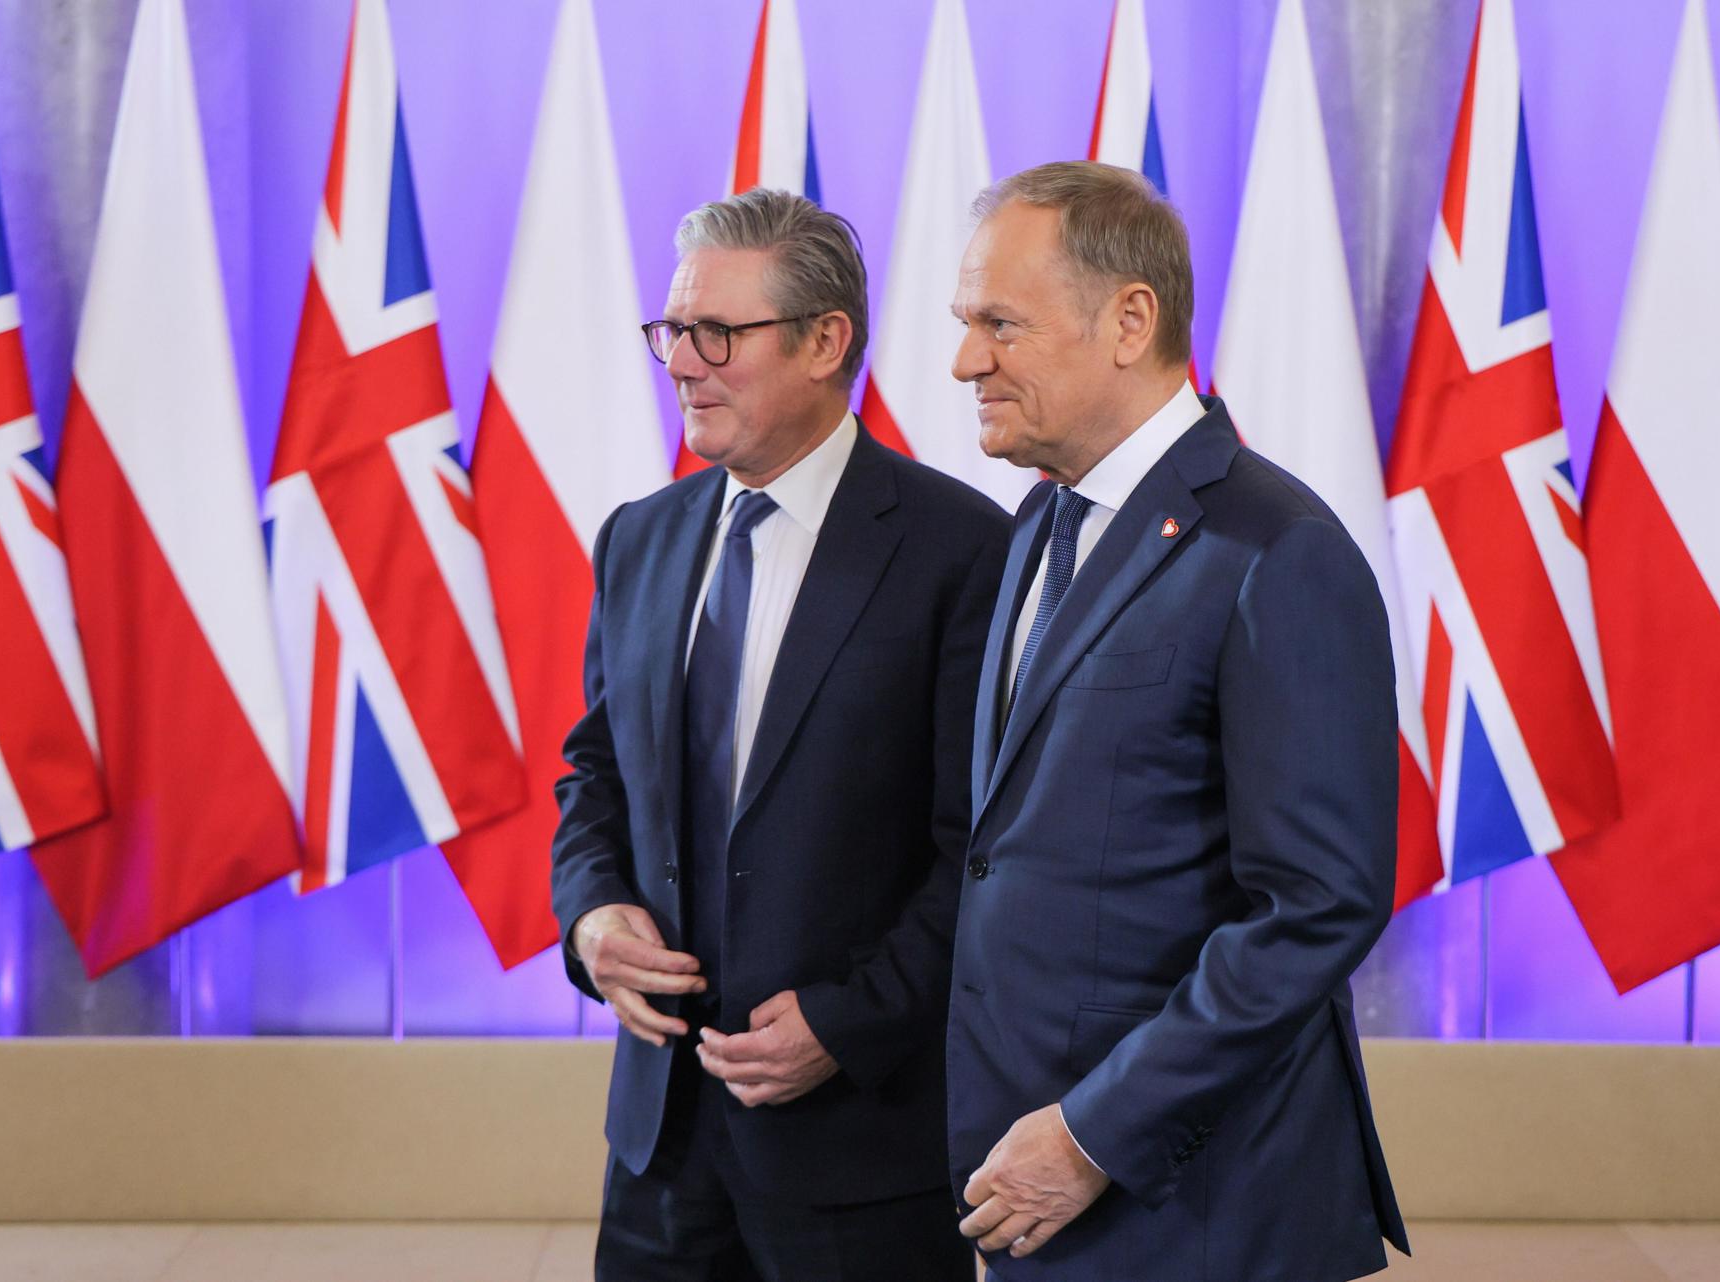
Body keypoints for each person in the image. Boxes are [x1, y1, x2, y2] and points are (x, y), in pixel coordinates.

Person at [945, 161, 1409, 1281]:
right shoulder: (1039, 524)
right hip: (1039, 1187)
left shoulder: (1275, 550)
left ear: (1130, 321)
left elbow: (1316, 905)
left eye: (1000, 324)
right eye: (965, 325)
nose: (965, 361)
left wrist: (1094, 1131)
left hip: (1196, 1207)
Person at [552, 187, 1004, 1282]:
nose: (683, 363)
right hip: (658, 1150)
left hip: (860, 1151)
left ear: (824, 341)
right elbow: (595, 776)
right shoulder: (639, 540)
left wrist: (848, 1024)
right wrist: (591, 919)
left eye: (718, 333)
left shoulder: (962, 550)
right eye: (672, 332)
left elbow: (983, 851)